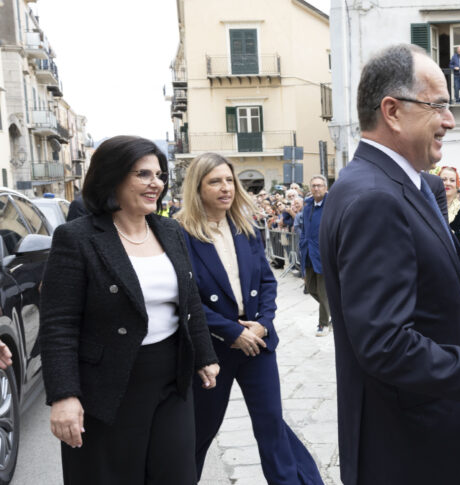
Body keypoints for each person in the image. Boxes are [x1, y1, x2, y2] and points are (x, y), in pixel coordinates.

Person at [319, 43, 460, 485]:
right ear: (393, 111)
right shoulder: (375, 198)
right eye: (438, 105)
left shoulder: (406, 184)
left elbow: (420, 286)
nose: (450, 120)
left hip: (432, 440)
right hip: (410, 451)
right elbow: (387, 343)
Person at [39, 135, 220, 484]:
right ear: (113, 177)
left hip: (171, 381)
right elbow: (58, 324)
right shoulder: (76, 238)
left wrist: (204, 355)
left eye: (160, 174)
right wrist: (64, 395)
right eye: (144, 175)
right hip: (106, 388)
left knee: (176, 475)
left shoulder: (169, 230)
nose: (157, 184)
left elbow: (188, 298)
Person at [177, 153, 324, 484]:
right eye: (215, 181)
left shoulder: (247, 228)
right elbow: (186, 299)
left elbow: (268, 283)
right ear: (197, 188)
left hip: (257, 340)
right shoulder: (180, 234)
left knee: (271, 424)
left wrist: (263, 323)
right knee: (202, 429)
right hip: (213, 349)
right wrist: (231, 331)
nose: (225, 187)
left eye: (229, 180)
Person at [298, 175, 330, 336]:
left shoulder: (331, 205)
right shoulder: (307, 206)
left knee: (323, 292)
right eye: (313, 186)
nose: (316, 188)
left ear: (325, 187)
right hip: (308, 253)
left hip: (323, 254)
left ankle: (323, 324)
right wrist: (302, 244)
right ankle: (333, 311)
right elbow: (304, 229)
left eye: (319, 185)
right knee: (311, 288)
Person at [437, 165, 460, 242]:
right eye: (443, 179)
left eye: (452, 180)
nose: (447, 183)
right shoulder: (428, 206)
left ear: (457, 185)